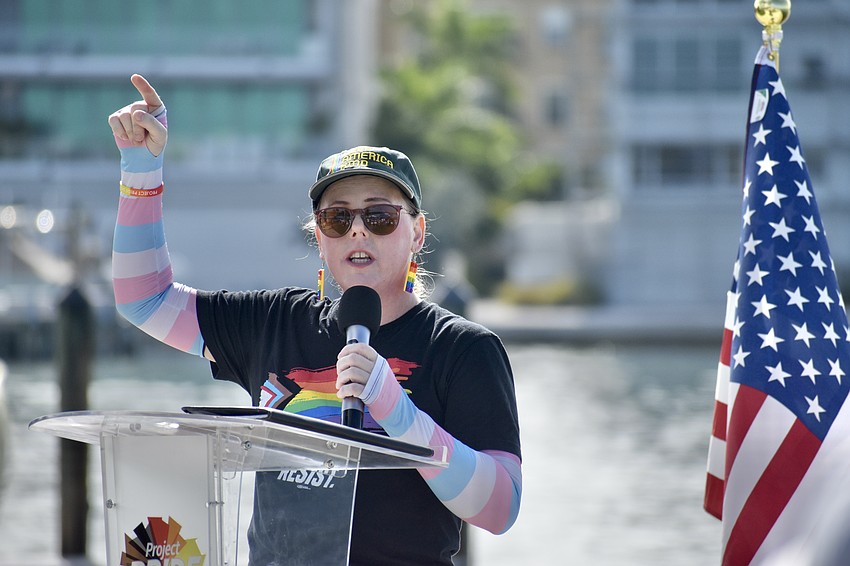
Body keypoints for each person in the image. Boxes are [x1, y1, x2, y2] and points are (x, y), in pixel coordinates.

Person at [108, 74, 522, 565]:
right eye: (337, 219)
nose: (358, 232)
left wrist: (400, 413)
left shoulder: (462, 348)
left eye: (380, 217)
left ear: (416, 233)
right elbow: (145, 301)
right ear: (320, 238)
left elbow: (500, 508)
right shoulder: (275, 321)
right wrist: (142, 172)